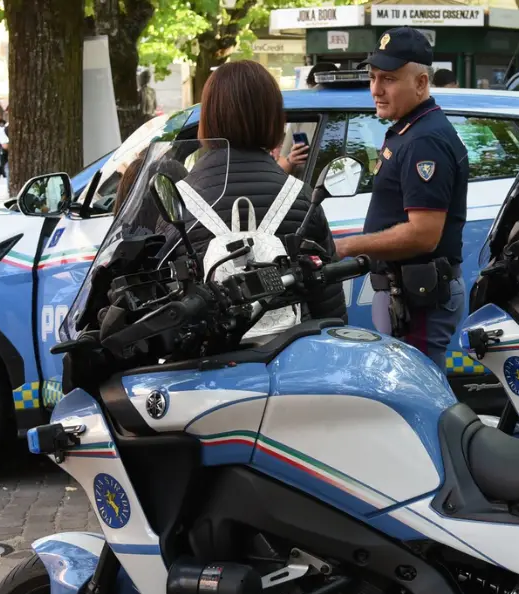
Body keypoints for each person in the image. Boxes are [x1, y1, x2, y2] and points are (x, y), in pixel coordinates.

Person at [334, 27, 468, 367]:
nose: (376, 89)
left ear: (421, 83)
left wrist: (349, 246)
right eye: (373, 77)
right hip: (405, 293)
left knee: (418, 398)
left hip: (417, 298)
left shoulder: (425, 140)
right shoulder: (412, 130)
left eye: (389, 79)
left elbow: (424, 234)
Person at [182, 59, 346, 324]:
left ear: (207, 117)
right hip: (289, 354)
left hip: (204, 360)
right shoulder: (301, 197)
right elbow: (329, 303)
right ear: (273, 118)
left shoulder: (178, 202)